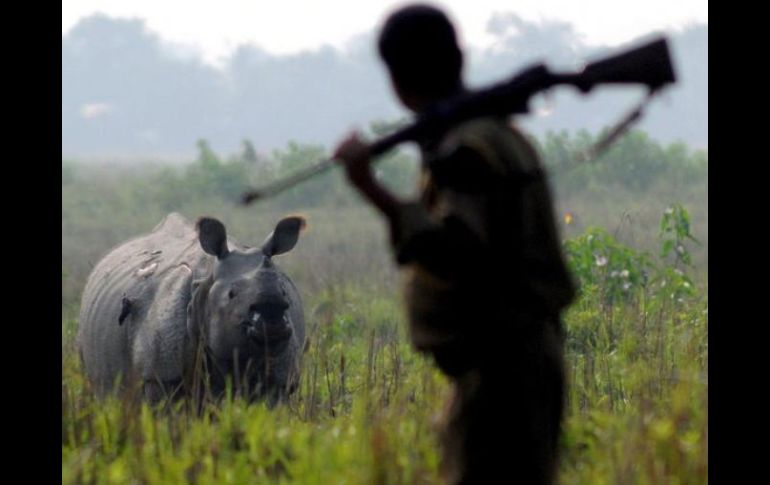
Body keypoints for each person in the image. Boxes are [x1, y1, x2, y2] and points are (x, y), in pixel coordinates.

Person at [333, 4, 576, 485]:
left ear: (397, 81)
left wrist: (371, 189)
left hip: (502, 370)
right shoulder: (499, 135)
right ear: (459, 58)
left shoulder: (467, 148)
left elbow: (456, 252)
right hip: (515, 362)